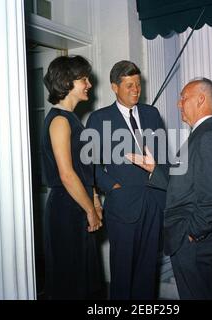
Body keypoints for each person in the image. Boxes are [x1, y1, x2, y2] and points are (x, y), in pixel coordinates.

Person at [127, 78, 212, 299]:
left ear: (201, 99)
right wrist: (154, 167)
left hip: (196, 242)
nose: (178, 103)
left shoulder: (207, 137)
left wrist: (193, 233)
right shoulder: (203, 134)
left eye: (183, 97)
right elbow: (186, 181)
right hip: (193, 240)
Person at [86, 60, 166, 300]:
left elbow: (162, 157)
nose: (136, 90)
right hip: (121, 208)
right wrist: (113, 187)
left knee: (148, 272)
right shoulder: (99, 119)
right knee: (123, 274)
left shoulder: (152, 114)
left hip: (153, 204)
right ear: (114, 87)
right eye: (129, 85)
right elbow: (89, 164)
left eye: (138, 84)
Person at [42, 55, 103, 299]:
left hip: (78, 203)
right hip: (66, 210)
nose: (89, 84)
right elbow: (67, 175)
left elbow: (82, 168)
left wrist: (94, 199)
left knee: (83, 281)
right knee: (69, 283)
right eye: (84, 79)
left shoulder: (72, 119)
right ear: (67, 82)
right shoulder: (59, 121)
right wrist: (89, 209)